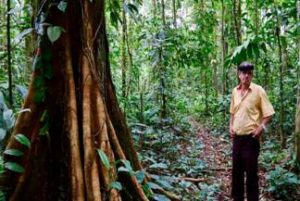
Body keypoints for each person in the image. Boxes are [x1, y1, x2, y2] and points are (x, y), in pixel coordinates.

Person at [229, 61, 275, 201]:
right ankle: (237, 198)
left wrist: (261, 128)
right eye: (243, 73)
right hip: (237, 138)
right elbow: (232, 111)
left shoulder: (258, 90)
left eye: (249, 73)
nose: (246, 76)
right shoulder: (234, 91)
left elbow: (269, 113)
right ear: (239, 74)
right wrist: (230, 126)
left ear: (252, 75)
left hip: (251, 138)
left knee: (251, 173)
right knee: (236, 172)